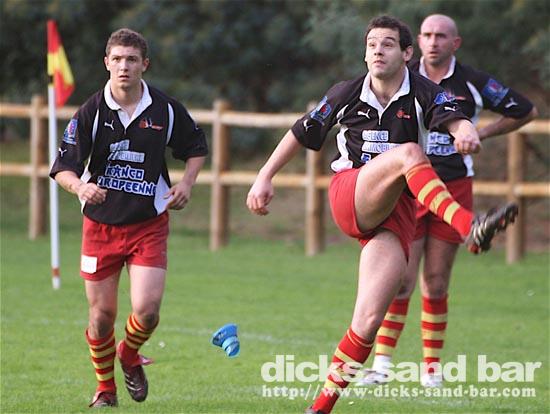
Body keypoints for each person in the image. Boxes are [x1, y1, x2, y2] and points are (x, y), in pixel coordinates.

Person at [247, 15, 518, 414]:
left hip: (396, 214)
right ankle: (468, 226)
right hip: (350, 194)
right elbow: (300, 132)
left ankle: (319, 407)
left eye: (388, 44)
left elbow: (454, 116)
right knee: (410, 154)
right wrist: (264, 177)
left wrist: (464, 130)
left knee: (369, 319)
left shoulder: (425, 91)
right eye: (372, 44)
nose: (377, 50)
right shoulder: (346, 92)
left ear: (407, 54)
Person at [363, 14, 537, 388]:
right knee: (400, 280)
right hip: (408, 188)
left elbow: (525, 110)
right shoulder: (404, 76)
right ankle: (381, 366)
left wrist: (479, 133)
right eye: (427, 35)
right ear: (416, 42)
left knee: (437, 282)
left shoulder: (473, 82)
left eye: (441, 36)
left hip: (455, 185)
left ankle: (431, 369)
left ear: (455, 43)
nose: (433, 41)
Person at [49, 28, 208, 408]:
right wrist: (80, 187)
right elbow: (62, 168)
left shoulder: (165, 109)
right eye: (117, 59)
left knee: (147, 312)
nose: (124, 66)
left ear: (144, 65)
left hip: (147, 224)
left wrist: (187, 183)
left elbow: (196, 146)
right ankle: (105, 390)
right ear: (107, 63)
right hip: (100, 227)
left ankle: (129, 353)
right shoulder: (91, 111)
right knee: (101, 317)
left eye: (131, 60)